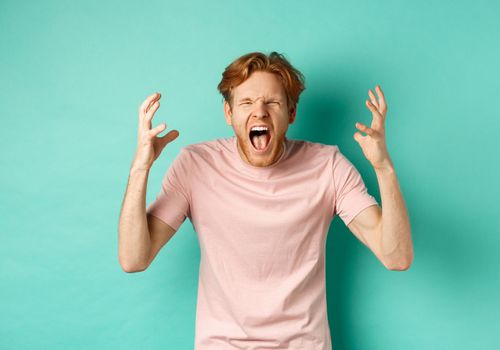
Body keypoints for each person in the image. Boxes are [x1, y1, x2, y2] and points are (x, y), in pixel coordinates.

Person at [118, 51, 413, 349]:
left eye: (272, 102)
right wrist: (140, 167)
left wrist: (383, 167)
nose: (259, 112)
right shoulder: (195, 165)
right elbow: (133, 258)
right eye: (246, 102)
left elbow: (396, 256)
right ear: (229, 114)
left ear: (292, 113)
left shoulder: (329, 166)